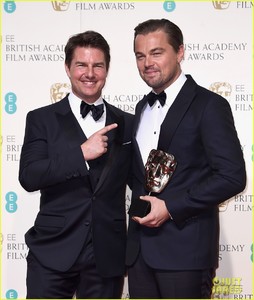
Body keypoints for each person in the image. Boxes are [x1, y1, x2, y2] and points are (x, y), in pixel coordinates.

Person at [126, 19, 246, 299]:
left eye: (157, 53)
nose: (147, 63)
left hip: (185, 253)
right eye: (140, 56)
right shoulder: (141, 108)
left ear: (180, 52)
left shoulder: (209, 105)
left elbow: (232, 176)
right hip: (139, 254)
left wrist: (171, 207)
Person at [19, 30, 133, 299]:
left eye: (98, 66)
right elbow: (29, 176)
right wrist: (80, 154)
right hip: (52, 252)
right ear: (68, 68)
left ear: (107, 69)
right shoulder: (41, 120)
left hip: (106, 255)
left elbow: (139, 182)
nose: (89, 73)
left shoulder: (128, 122)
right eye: (81, 64)